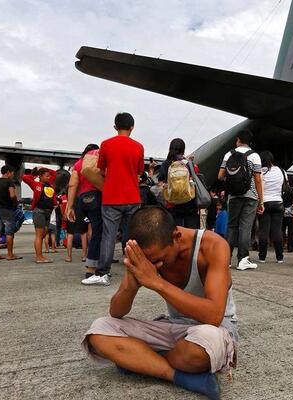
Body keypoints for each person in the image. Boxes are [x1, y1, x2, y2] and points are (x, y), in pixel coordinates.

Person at [82, 207, 237, 400]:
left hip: (214, 329)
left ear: (176, 236)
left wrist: (157, 283)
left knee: (204, 346)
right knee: (98, 331)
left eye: (160, 259)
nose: (156, 264)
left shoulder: (213, 246)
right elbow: (116, 312)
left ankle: (140, 361)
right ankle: (177, 375)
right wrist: (132, 284)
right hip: (175, 327)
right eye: (150, 260)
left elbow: (214, 316)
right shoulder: (146, 254)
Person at [83, 112, 144, 286]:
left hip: (111, 197)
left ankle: (103, 273)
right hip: (132, 196)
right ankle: (137, 270)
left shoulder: (106, 144)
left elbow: (101, 169)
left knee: (108, 236)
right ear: (132, 127)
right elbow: (139, 171)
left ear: (115, 127)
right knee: (132, 236)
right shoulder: (139, 147)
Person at [217, 129, 263, 271]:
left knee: (231, 226)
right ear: (250, 142)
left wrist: (231, 183)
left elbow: (220, 176)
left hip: (234, 196)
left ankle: (226, 258)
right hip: (250, 196)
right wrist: (261, 200)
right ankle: (243, 259)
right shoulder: (255, 156)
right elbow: (258, 179)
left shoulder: (229, 154)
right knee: (245, 227)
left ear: (238, 139)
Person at [66, 144, 102, 280]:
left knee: (88, 230)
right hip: (96, 198)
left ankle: (93, 260)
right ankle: (92, 267)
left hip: (82, 200)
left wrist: (69, 207)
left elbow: (72, 184)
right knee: (98, 233)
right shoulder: (97, 161)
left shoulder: (78, 163)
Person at [158, 138, 199, 228]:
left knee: (175, 232)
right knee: (190, 233)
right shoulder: (188, 163)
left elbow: (161, 182)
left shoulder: (166, 164)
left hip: (172, 204)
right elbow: (196, 177)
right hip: (189, 203)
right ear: (183, 150)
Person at [23, 167, 57, 263]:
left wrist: (44, 168)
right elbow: (25, 178)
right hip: (39, 211)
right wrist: (35, 173)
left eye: (49, 176)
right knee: (39, 235)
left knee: (43, 233)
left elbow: (54, 173)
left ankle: (40, 254)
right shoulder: (36, 184)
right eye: (46, 176)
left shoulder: (50, 184)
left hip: (48, 212)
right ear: (40, 176)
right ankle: (39, 257)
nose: (49, 177)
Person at [257, 151, 285, 264]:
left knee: (263, 231)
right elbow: (284, 186)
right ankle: (279, 257)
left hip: (265, 203)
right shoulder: (281, 171)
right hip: (278, 202)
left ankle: (262, 257)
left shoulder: (260, 172)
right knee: (277, 231)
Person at [0, 165, 21, 261]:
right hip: (8, 210)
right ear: (8, 172)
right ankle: (10, 254)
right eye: (12, 173)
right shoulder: (9, 182)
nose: (13, 175)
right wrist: (16, 202)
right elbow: (12, 195)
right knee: (9, 233)